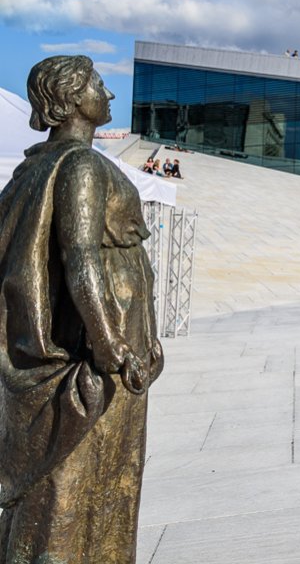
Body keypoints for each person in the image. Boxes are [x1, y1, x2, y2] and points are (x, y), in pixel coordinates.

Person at [0, 55, 164, 561]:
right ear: (70, 98)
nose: (108, 94)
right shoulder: (80, 165)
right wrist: (113, 343)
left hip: (105, 343)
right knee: (83, 475)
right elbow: (80, 258)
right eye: (97, 83)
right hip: (97, 358)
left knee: (84, 480)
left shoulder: (36, 167)